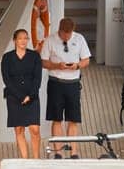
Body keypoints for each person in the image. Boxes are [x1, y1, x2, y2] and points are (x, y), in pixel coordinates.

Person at [42, 16, 92, 158]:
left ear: (72, 31)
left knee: (73, 119)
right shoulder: (50, 40)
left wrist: (77, 65)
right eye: (64, 33)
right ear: (60, 30)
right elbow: (44, 62)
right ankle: (58, 152)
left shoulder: (79, 39)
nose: (66, 36)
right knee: (56, 118)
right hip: (56, 82)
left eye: (69, 33)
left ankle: (73, 152)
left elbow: (86, 60)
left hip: (73, 83)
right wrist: (57, 65)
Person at [0, 28, 43, 159]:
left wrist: (30, 95)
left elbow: (37, 78)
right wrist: (20, 96)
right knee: (19, 129)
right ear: (14, 40)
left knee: (34, 129)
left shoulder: (35, 56)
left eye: (26, 38)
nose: (23, 41)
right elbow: (7, 79)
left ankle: (36, 159)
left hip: (32, 96)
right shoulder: (7, 57)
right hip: (14, 97)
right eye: (20, 38)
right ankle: (25, 160)